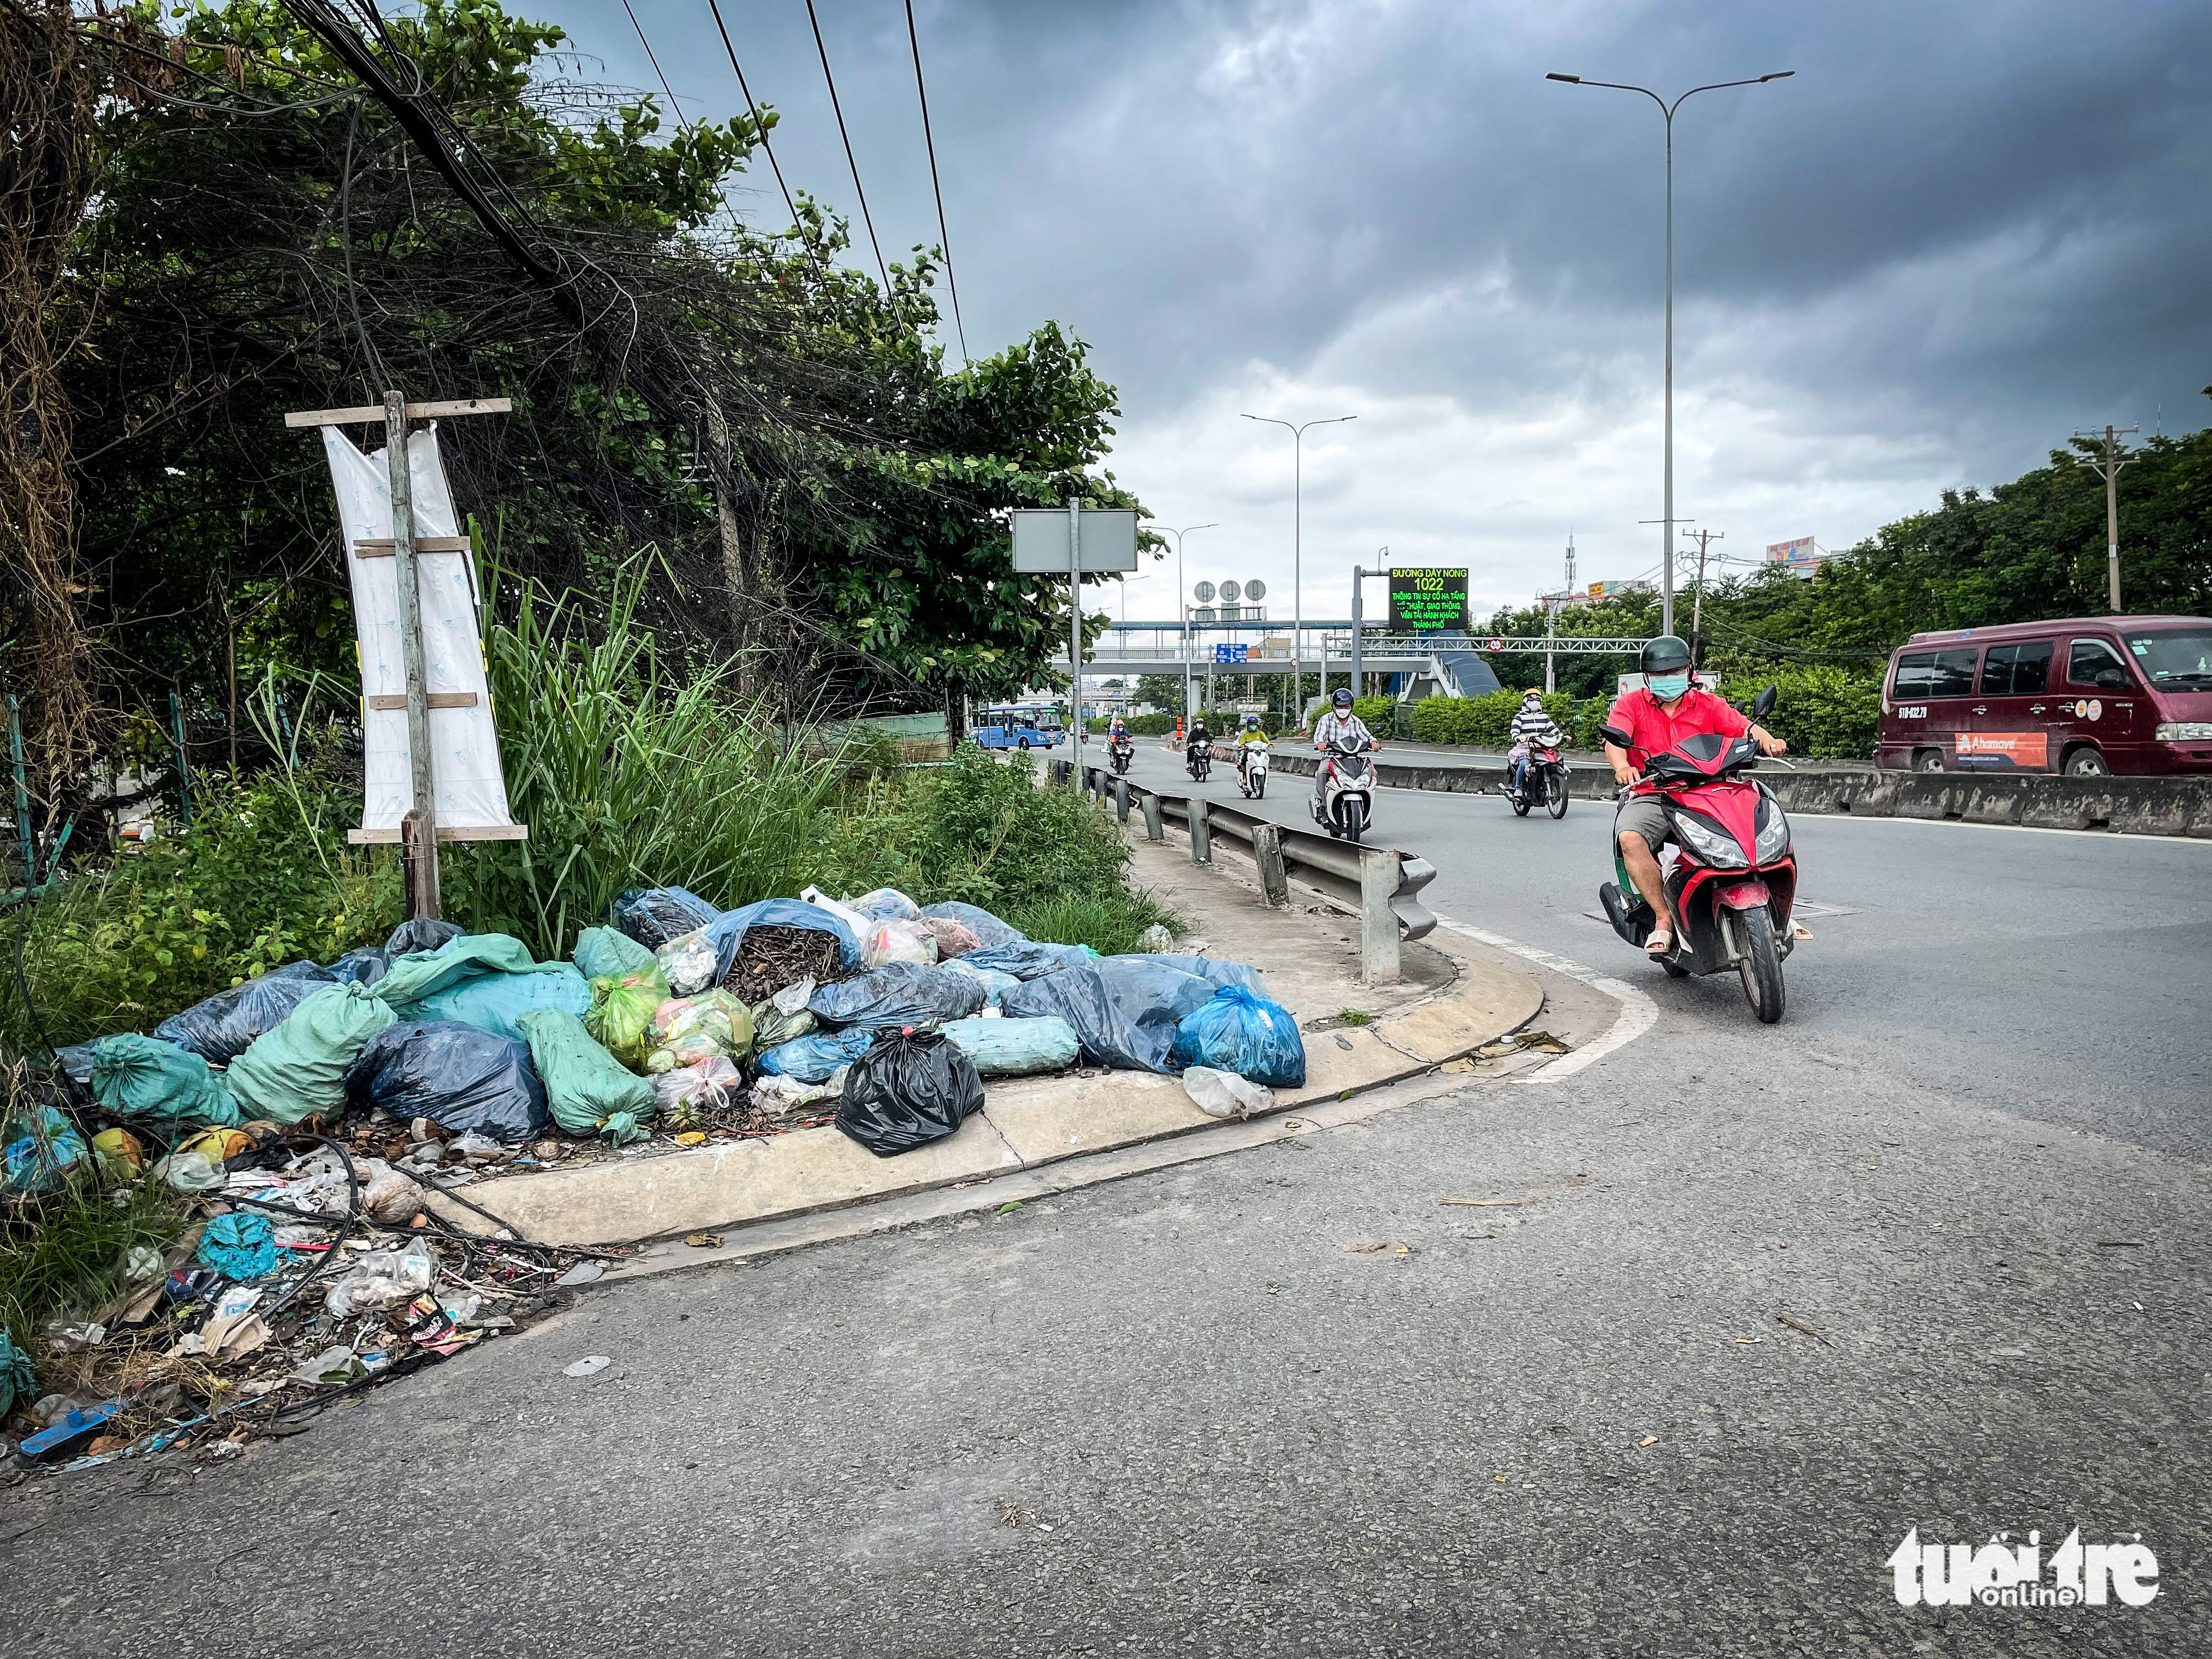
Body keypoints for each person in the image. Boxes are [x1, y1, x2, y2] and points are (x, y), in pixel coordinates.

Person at [1604, 636, 1787, 956]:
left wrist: (1768, 740)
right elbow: (1615, 741)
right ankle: (1663, 917)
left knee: (1766, 824)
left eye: (1674, 672)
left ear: (1689, 671)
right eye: (1659, 675)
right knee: (1630, 837)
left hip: (1712, 791)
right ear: (1647, 677)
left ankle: (1781, 910)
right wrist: (1622, 767)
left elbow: (1744, 728)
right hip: (1657, 793)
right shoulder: (1631, 705)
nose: (1667, 680)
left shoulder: (1709, 704)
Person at [1312, 687, 1378, 813]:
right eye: (1340, 706)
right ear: (1334, 706)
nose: (1343, 709)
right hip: (1332, 758)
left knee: (1373, 774)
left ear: (1351, 706)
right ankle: (1325, 807)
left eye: (1346, 706)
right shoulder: (1326, 719)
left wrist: (1373, 742)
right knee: (1322, 773)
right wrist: (1320, 743)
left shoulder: (1356, 722)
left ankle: (1365, 807)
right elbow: (1319, 735)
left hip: (1354, 759)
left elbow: (1366, 735)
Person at [1505, 690, 1564, 797]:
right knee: (1524, 764)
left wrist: (1562, 736)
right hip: (1525, 748)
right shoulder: (1519, 717)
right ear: (1526, 701)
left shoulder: (1544, 717)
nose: (1535, 702)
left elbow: (1554, 730)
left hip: (1541, 747)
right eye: (1532, 699)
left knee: (1556, 759)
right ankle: (1519, 788)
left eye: (1537, 700)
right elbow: (1514, 731)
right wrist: (1519, 737)